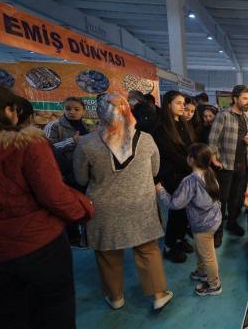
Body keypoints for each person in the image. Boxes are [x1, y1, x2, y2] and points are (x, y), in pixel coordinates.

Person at [0, 80, 94, 329]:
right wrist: (84, 208)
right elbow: (54, 195)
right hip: (36, 246)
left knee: (5, 315)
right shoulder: (25, 144)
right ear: (6, 111)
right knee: (55, 310)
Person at [73, 94, 173, 312]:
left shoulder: (87, 144)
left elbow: (80, 178)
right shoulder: (146, 140)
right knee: (147, 249)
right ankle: (158, 294)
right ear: (128, 110)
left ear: (99, 113)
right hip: (141, 204)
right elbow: (154, 171)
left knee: (108, 253)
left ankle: (115, 297)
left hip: (104, 208)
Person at [156, 143, 223, 296]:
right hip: (213, 220)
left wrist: (161, 191)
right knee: (202, 249)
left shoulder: (190, 181)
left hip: (202, 224)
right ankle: (201, 272)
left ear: (191, 160)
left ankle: (214, 285)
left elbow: (175, 204)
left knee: (208, 254)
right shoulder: (210, 173)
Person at [43, 96, 94, 247]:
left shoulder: (88, 127)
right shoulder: (55, 126)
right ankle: (72, 238)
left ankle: (86, 236)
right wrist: (72, 141)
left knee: (86, 205)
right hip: (65, 173)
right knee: (70, 207)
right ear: (63, 109)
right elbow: (47, 149)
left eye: (76, 109)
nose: (72, 112)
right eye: (68, 109)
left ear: (83, 111)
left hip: (84, 172)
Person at [154, 91, 196, 263]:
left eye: (183, 102)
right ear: (168, 104)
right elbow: (170, 154)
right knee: (176, 210)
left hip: (187, 172)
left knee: (186, 210)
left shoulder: (184, 123)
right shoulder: (162, 128)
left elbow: (191, 146)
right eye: (178, 103)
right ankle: (170, 245)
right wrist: (192, 165)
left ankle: (180, 239)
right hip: (173, 174)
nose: (183, 106)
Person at [209, 85, 248, 237]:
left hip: (241, 164)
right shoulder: (224, 115)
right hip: (226, 164)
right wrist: (214, 159)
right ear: (235, 99)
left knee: (236, 197)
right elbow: (213, 139)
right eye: (245, 98)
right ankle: (218, 232)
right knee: (222, 199)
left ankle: (232, 223)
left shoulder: (246, 117)